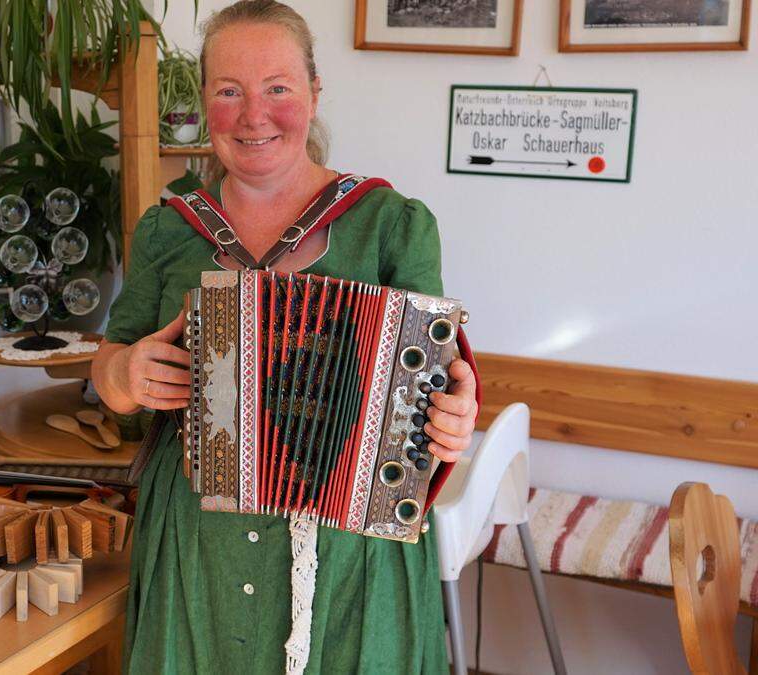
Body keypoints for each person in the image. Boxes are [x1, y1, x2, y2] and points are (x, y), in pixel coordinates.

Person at [89, 2, 479, 672]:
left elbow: (445, 376)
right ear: (205, 101)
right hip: (197, 543)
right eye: (228, 91)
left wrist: (457, 412)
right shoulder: (169, 231)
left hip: (351, 556)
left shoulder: (390, 225)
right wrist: (124, 372)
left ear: (313, 94)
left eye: (277, 89)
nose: (253, 115)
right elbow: (109, 373)